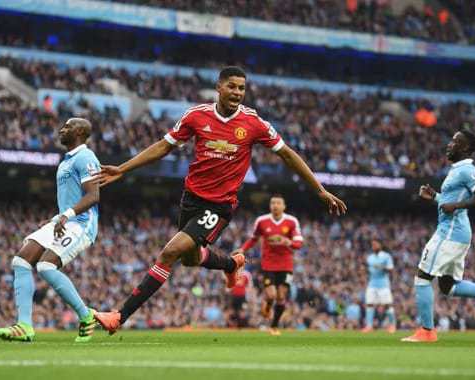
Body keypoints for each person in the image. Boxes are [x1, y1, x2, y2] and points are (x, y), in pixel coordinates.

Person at [91, 66, 347, 335]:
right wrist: (123, 168)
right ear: (219, 87)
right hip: (190, 199)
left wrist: (319, 189)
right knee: (189, 259)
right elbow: (164, 146)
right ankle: (230, 263)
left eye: (242, 88)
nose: (237, 92)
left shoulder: (253, 123)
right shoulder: (196, 115)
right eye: (232, 86)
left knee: (169, 252)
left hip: (219, 205)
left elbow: (288, 154)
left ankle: (119, 316)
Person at [402, 130, 475, 343]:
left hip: (450, 233)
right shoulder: (456, 170)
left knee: (422, 276)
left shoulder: (467, 170)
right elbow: (449, 203)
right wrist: (436, 197)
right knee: (448, 286)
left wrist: (457, 205)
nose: (449, 144)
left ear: (465, 148)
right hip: (455, 232)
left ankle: (427, 331)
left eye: (455, 142)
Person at [0, 118, 101, 342]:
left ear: (80, 132)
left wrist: (67, 215)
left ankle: (86, 315)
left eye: (68, 126)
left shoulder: (86, 157)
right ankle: (24, 325)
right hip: (63, 221)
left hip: (81, 224)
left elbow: (94, 195)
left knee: (45, 265)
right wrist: (59, 217)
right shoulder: (66, 161)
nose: (62, 129)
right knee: (21, 260)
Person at [233, 194, 303, 335]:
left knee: (281, 297)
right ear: (270, 206)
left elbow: (298, 243)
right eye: (272, 203)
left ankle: (274, 326)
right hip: (268, 264)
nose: (275, 206)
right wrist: (243, 249)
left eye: (278, 203)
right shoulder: (262, 221)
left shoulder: (291, 222)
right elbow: (254, 239)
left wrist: (286, 241)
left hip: (286, 265)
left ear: (284, 206)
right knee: (271, 295)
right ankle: (268, 306)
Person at [361, 238, 396, 333]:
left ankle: (392, 325)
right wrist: (364, 270)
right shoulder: (370, 257)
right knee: (369, 304)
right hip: (372, 283)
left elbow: (391, 269)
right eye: (372, 245)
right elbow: (368, 270)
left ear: (380, 245)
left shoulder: (386, 256)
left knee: (387, 304)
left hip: (383, 283)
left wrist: (381, 267)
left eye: (375, 244)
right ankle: (369, 326)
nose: (374, 246)